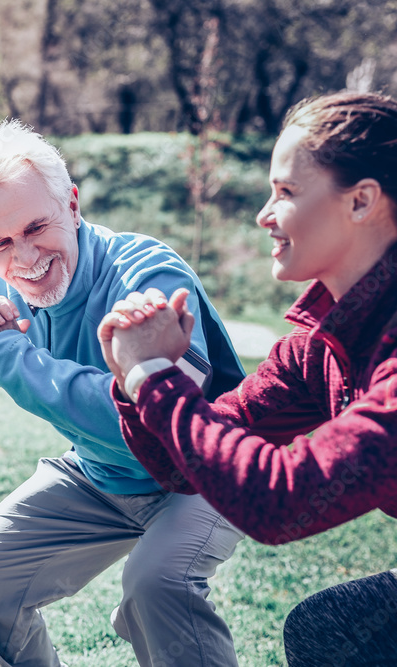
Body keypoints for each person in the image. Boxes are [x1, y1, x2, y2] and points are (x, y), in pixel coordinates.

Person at [0, 119, 247, 666]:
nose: (25, 256)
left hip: (201, 474)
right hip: (100, 476)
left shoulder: (146, 274)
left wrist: (3, 353)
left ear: (73, 204)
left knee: (157, 586)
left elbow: (153, 425)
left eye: (37, 226)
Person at [98, 92, 397, 666]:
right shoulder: (322, 345)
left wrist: (156, 378)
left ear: (361, 201)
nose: (263, 214)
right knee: (331, 632)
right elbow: (181, 468)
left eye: (285, 192)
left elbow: (282, 501)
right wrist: (138, 383)